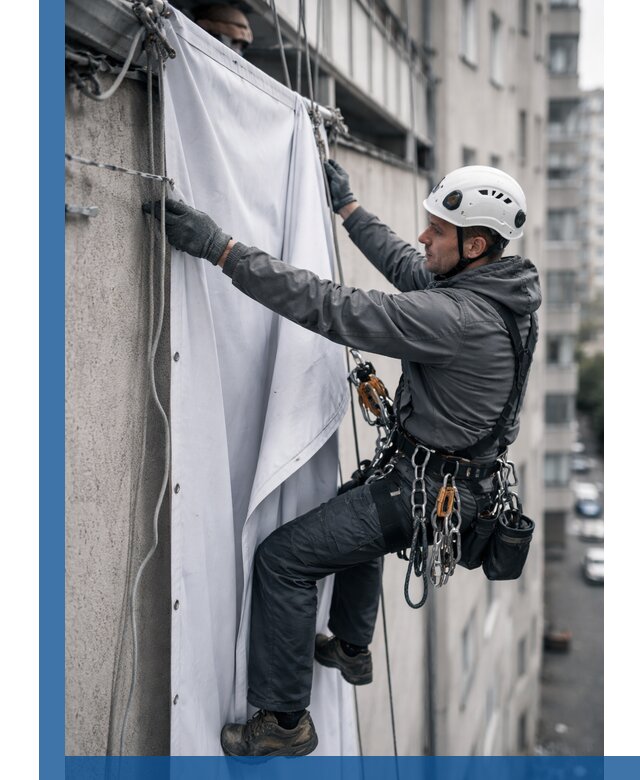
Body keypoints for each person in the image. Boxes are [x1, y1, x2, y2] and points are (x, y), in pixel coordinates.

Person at [143, 162, 541, 757]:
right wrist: (349, 207)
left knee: (284, 560)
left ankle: (284, 720)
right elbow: (412, 267)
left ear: (474, 244)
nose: (424, 238)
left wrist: (220, 249)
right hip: (441, 482)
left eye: (437, 230)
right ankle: (352, 648)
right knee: (355, 517)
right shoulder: (499, 292)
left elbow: (331, 306)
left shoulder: (456, 318)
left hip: (423, 490)